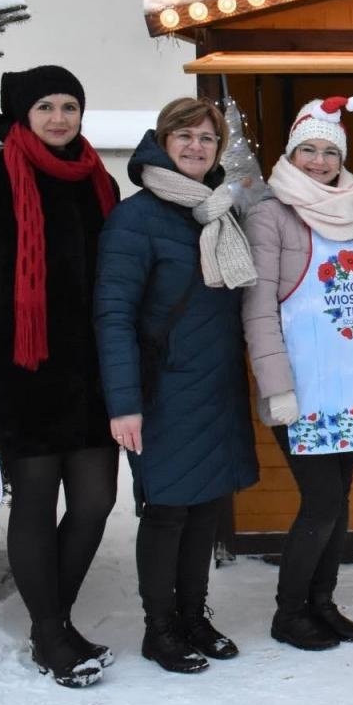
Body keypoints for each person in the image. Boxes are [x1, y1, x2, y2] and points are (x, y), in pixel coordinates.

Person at [0, 66, 119, 689]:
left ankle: (54, 621)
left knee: (95, 502)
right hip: (18, 369)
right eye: (46, 106)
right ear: (21, 113)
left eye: (70, 105)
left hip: (90, 371)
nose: (60, 117)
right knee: (37, 503)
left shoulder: (97, 179)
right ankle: (49, 632)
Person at [95, 97, 259, 675]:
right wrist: (124, 405)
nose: (195, 147)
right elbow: (112, 315)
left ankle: (193, 615)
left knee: (206, 507)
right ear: (161, 142)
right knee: (167, 511)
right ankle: (158, 628)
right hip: (161, 391)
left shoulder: (217, 211)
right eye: (184, 136)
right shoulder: (134, 219)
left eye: (207, 139)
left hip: (214, 387)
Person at [242, 96, 353, 650]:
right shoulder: (271, 214)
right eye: (307, 149)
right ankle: (289, 613)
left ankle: (322, 603)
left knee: (341, 499)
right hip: (303, 389)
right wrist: (276, 390)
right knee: (322, 503)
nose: (316, 161)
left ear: (341, 158)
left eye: (327, 152)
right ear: (291, 152)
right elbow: (259, 308)